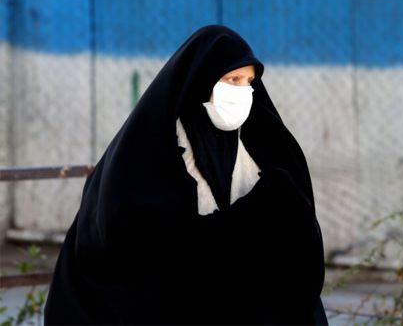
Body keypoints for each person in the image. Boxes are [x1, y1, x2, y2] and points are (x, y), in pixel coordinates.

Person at [43, 25, 328, 325]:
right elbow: (148, 249)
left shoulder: (260, 144)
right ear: (201, 79)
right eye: (233, 79)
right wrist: (251, 216)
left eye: (249, 82)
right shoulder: (149, 151)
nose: (243, 92)